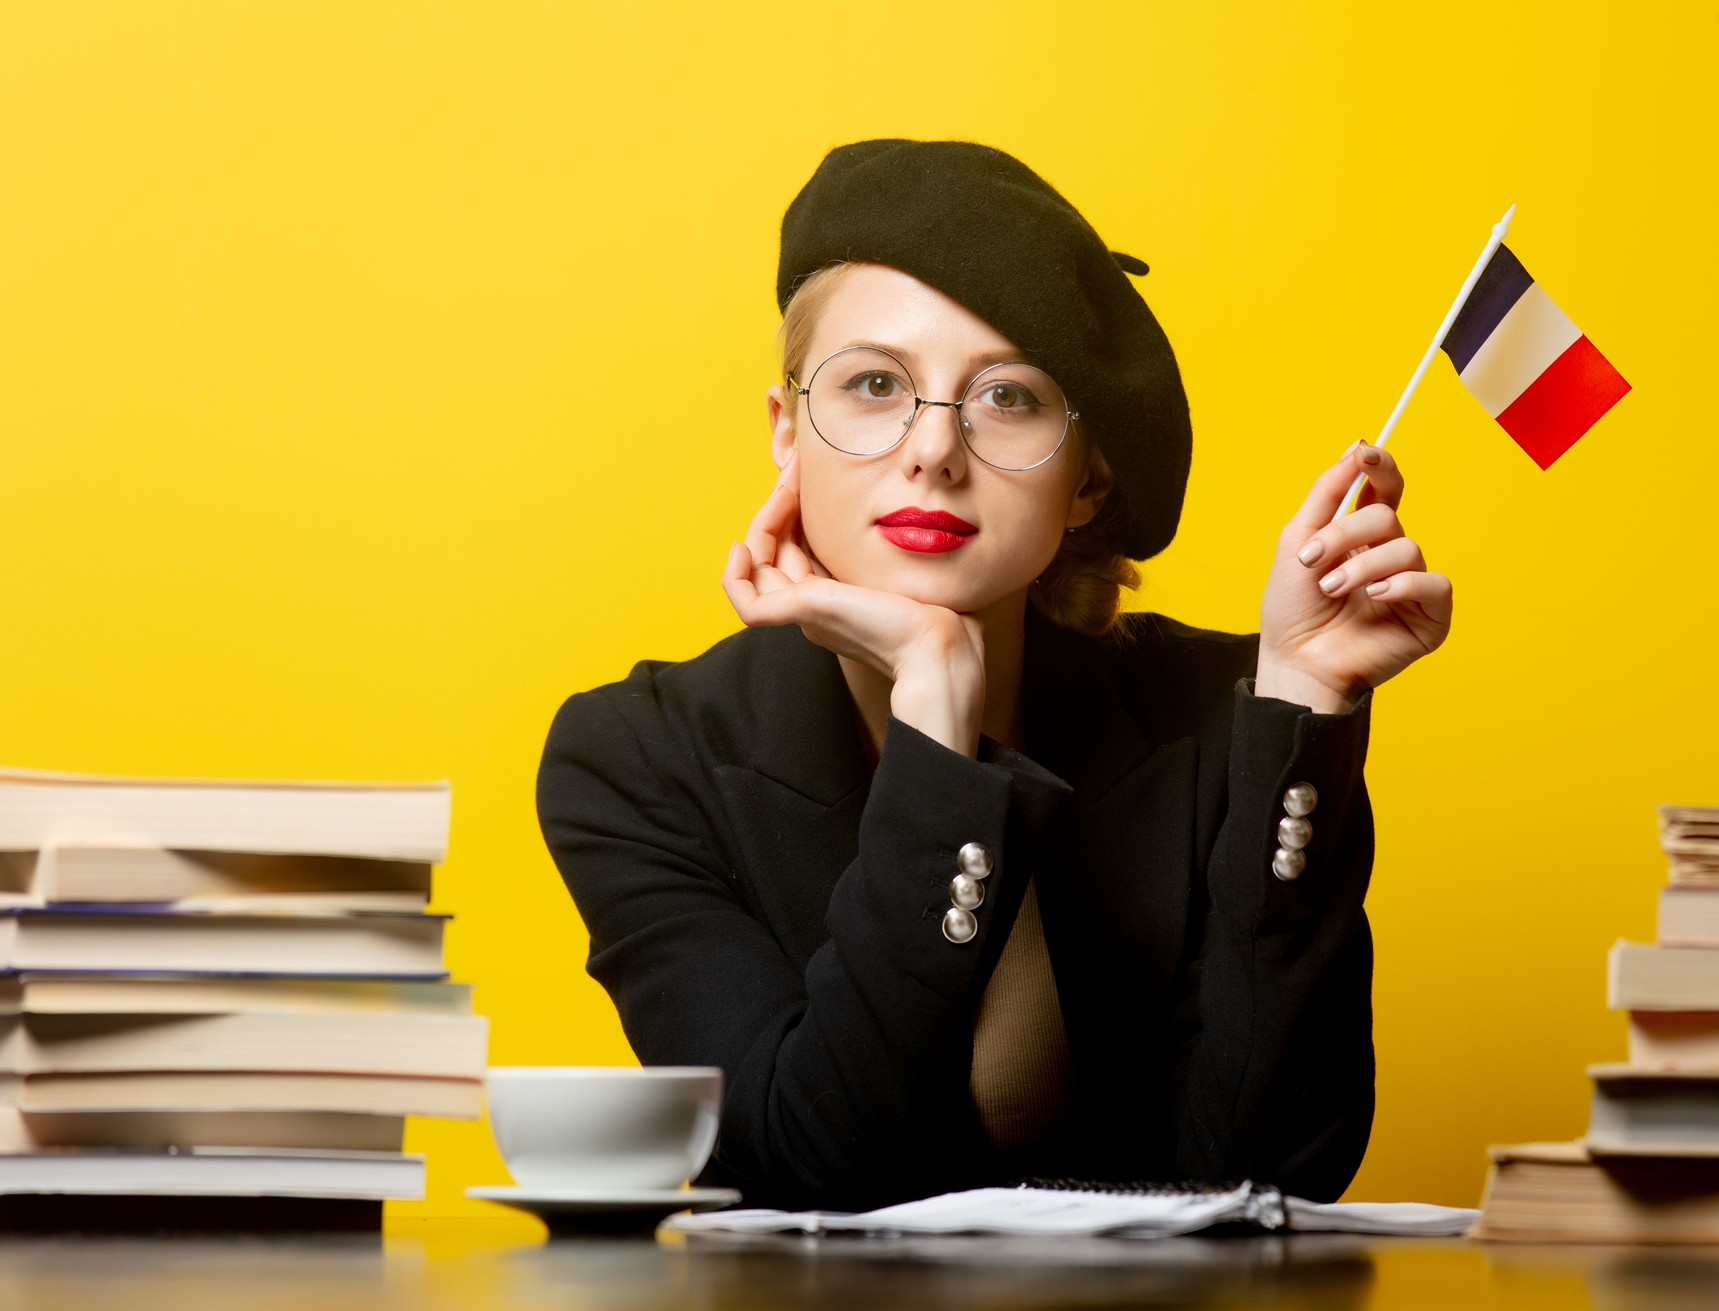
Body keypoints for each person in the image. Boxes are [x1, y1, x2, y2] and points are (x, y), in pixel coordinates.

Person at [535, 139, 1452, 1212]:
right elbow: (810, 1167)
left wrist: (1307, 698)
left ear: (1087, 479)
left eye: (1007, 397)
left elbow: (1272, 1173)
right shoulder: (641, 756)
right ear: (786, 436)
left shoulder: (1221, 719)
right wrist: (936, 714)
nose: (934, 451)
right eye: (875, 385)